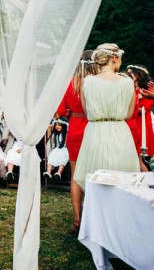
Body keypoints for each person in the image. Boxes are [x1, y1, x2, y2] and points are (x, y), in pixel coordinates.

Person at [73, 44, 140, 191]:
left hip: (95, 131)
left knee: (97, 179)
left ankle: (98, 212)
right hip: (120, 131)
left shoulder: (87, 81)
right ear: (115, 58)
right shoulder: (127, 82)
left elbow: (86, 111)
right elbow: (129, 114)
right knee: (122, 179)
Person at [57, 49, 97, 230]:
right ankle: (94, 217)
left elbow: (61, 110)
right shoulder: (97, 83)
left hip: (74, 129)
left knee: (75, 174)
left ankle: (77, 218)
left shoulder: (70, 84)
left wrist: (73, 113)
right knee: (96, 173)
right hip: (94, 128)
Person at [127, 65, 154, 159]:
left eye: (130, 73)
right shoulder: (128, 89)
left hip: (142, 125)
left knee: (142, 158)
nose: (128, 75)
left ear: (138, 74)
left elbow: (144, 109)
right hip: (130, 124)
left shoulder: (149, 90)